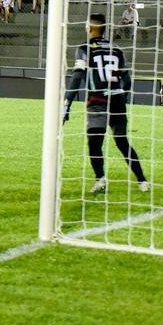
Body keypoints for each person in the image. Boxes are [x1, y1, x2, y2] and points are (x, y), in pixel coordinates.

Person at [64, 13, 149, 194]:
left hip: (97, 101)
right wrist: (121, 95)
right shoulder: (116, 49)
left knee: (95, 142)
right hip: (117, 100)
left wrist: (67, 103)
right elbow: (127, 80)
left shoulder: (85, 49)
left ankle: (100, 179)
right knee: (122, 142)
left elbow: (78, 76)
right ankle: (142, 181)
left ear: (91, 28)